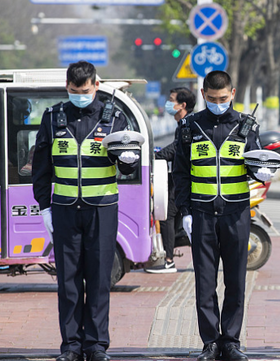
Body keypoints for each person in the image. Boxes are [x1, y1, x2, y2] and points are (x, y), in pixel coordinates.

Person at [32, 61, 141, 361]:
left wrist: (129, 159)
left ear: (96, 85)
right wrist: (44, 207)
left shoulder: (114, 117)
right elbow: (41, 168)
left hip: (102, 211)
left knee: (98, 280)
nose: (79, 95)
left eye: (84, 90)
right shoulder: (53, 117)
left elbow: (127, 164)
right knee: (67, 281)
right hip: (65, 210)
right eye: (73, 91)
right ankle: (70, 346)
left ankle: (95, 346)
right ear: (66, 87)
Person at [173, 70, 271, 361]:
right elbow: (180, 174)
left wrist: (262, 172)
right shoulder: (189, 127)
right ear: (203, 95)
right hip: (201, 214)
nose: (218, 103)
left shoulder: (246, 126)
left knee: (235, 281)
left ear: (233, 94)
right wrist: (186, 213)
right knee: (204, 282)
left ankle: (231, 341)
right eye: (213, 99)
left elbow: (256, 161)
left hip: (236, 213)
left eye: (224, 98)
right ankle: (210, 342)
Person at [145, 87, 196, 274]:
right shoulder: (182, 123)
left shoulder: (188, 124)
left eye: (171, 99)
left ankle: (168, 261)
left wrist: (155, 156)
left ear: (182, 105)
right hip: (177, 177)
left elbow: (177, 148)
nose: (168, 103)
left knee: (167, 215)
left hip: (184, 180)